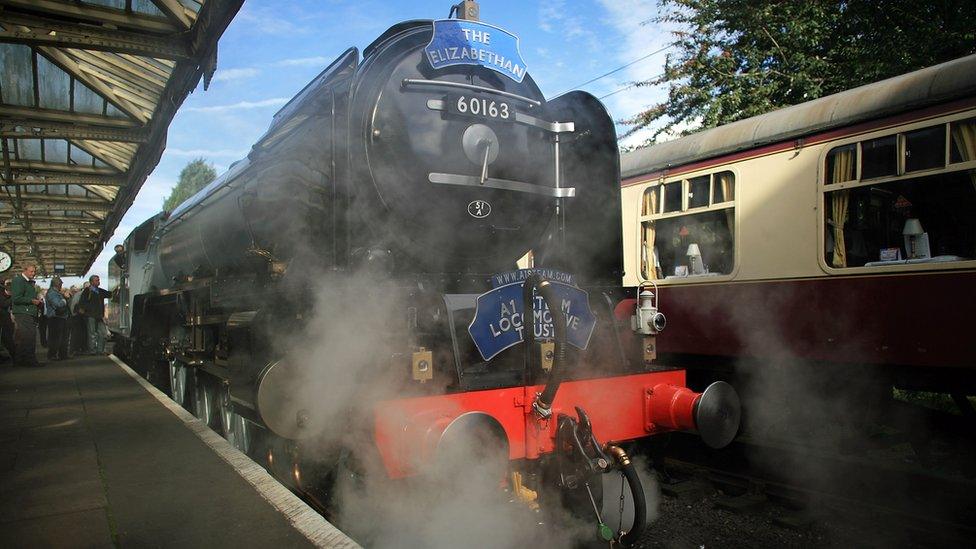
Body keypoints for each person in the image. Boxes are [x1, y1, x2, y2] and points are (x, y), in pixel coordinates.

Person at [10, 264, 43, 367]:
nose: (33, 274)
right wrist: (32, 301)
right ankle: (30, 360)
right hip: (24, 313)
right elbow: (16, 298)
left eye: (34, 272)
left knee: (25, 337)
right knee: (29, 337)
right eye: (31, 271)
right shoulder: (18, 281)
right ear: (24, 270)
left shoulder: (27, 282)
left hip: (28, 312)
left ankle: (20, 360)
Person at [77, 275, 112, 355]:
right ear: (91, 282)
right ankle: (92, 351)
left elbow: (109, 294)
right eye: (96, 280)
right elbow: (82, 303)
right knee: (92, 334)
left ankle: (100, 350)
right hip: (90, 315)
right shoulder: (87, 291)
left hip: (99, 316)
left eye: (98, 280)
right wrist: (88, 309)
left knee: (103, 333)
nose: (98, 281)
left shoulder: (100, 291)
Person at [45, 277, 69, 361]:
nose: (61, 285)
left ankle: (62, 354)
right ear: (57, 284)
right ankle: (52, 355)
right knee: (55, 338)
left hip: (60, 317)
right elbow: (58, 304)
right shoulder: (52, 293)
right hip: (55, 318)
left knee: (62, 337)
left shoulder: (55, 292)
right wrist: (64, 300)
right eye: (61, 284)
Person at [0, 278, 14, 364]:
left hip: (4, 317)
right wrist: (13, 297)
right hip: (3, 318)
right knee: (7, 339)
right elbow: (4, 304)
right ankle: (15, 357)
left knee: (7, 338)